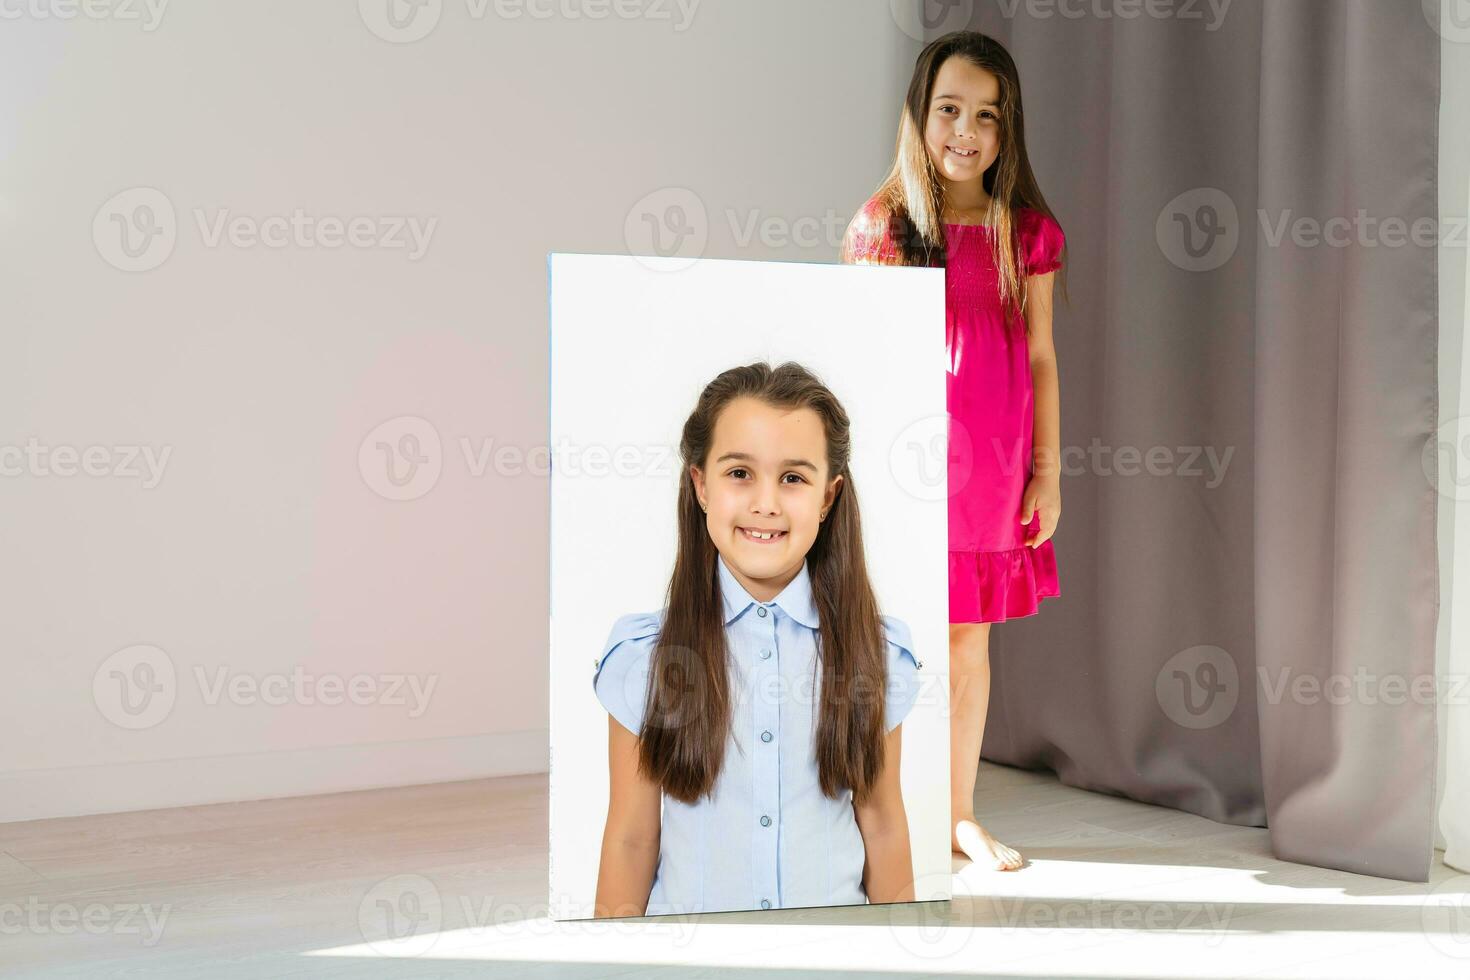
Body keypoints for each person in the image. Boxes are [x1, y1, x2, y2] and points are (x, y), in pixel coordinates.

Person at [841, 30, 1067, 872]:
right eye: (948, 110)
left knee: (967, 643)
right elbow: (856, 357)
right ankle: (878, 808)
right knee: (888, 638)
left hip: (992, 475)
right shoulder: (884, 227)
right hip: (903, 470)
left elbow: (1040, 357)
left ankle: (957, 813)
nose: (965, 131)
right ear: (919, 115)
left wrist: (1047, 469)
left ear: (1008, 130)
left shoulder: (1028, 233)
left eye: (987, 115)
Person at [592, 361, 923, 916]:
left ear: (827, 496)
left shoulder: (875, 656)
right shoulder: (645, 660)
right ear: (700, 484)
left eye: (793, 478)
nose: (765, 503)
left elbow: (884, 824)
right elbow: (631, 838)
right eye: (739, 473)